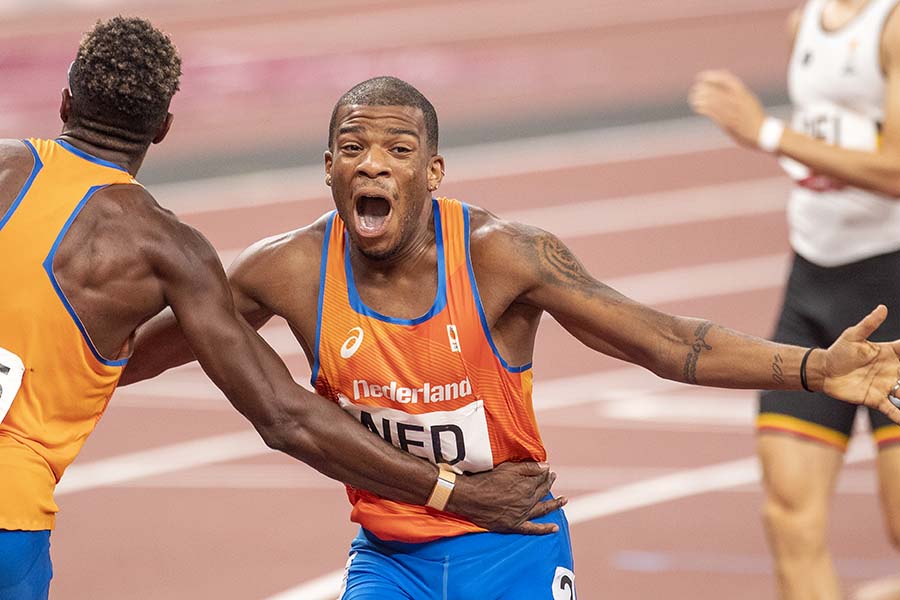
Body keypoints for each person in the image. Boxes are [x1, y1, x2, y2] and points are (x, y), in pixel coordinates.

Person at [124, 75, 900, 599]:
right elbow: (155, 343)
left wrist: (812, 367)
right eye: (355, 149)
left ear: (433, 173)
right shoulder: (286, 270)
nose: (375, 165)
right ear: (328, 167)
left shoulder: (503, 257)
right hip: (390, 557)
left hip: (517, 545)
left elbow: (664, 341)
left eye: (399, 151)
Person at [0, 19, 565, 600]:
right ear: (164, 128)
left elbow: (129, 356)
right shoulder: (167, 251)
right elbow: (284, 416)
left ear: (64, 99)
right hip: (8, 512)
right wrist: (458, 493)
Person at [689, 1, 900, 598]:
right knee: (789, 515)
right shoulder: (803, 21)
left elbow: (896, 169)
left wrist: (769, 133)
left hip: (895, 291)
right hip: (814, 287)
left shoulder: (893, 24)